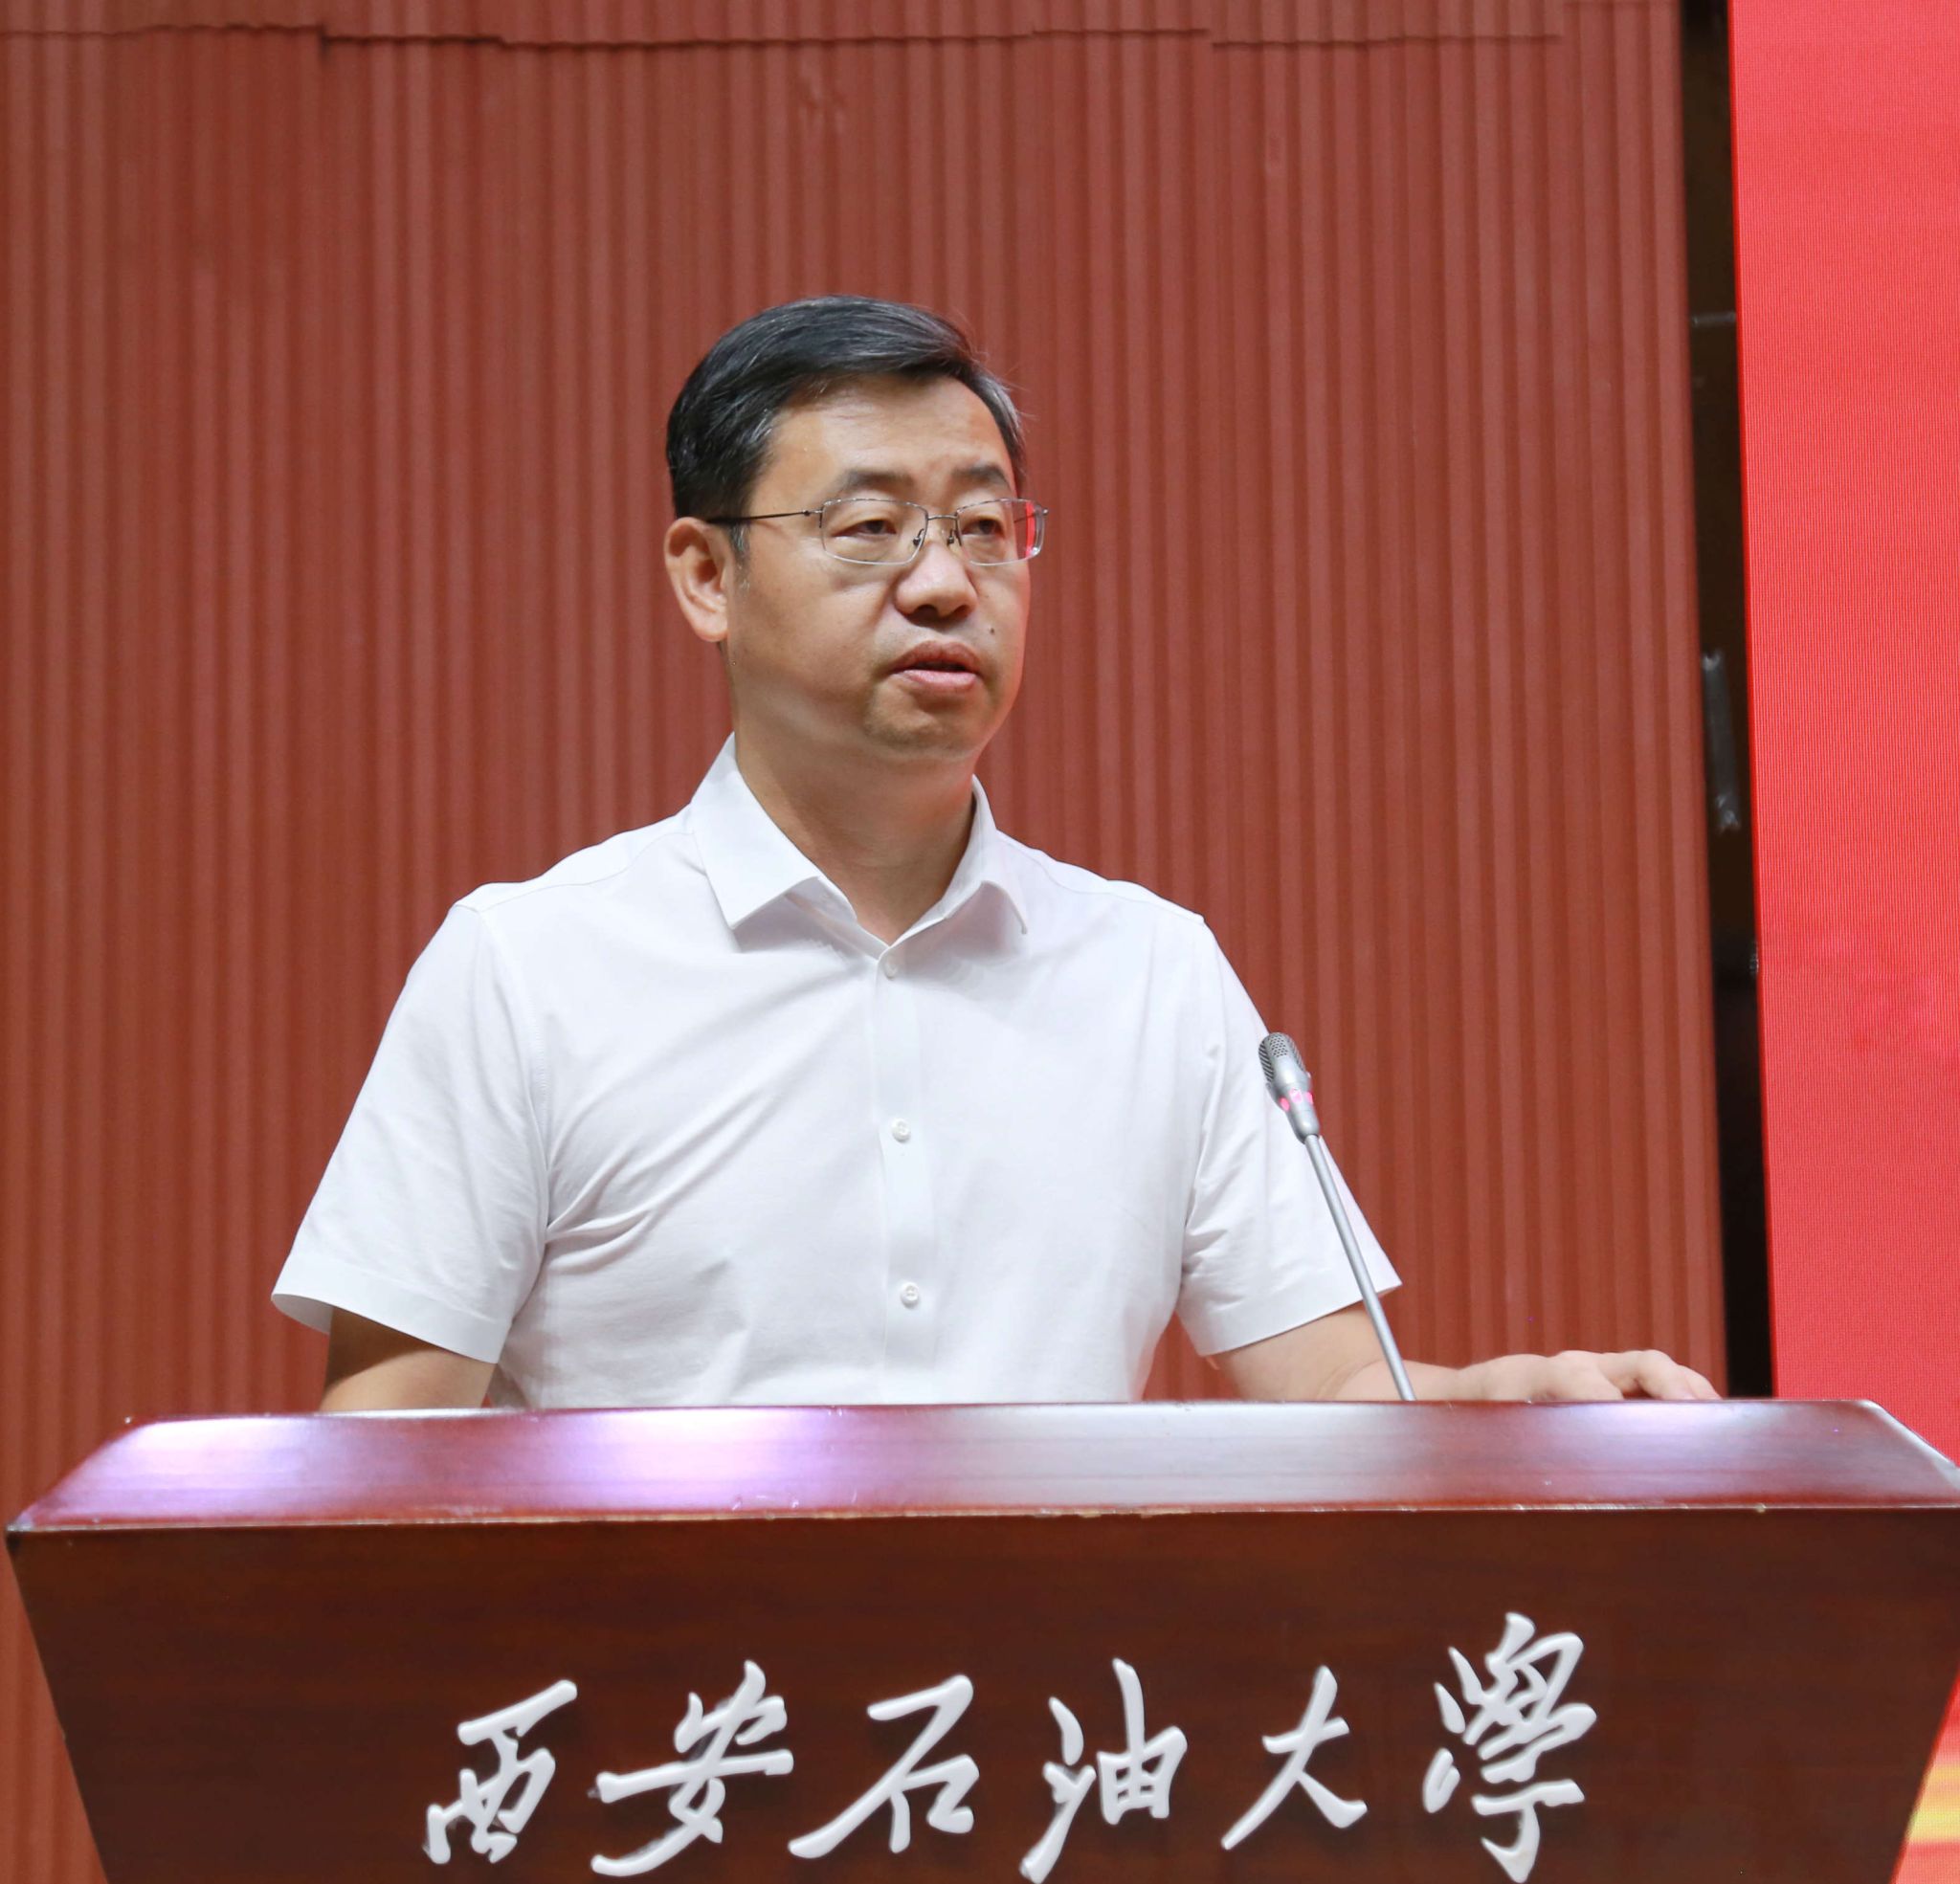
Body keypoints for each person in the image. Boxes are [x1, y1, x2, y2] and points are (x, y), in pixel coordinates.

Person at [273, 296, 1717, 1412]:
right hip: (672, 1711)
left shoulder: (1151, 972)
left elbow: (1339, 1398)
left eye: (982, 526)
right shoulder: (529, 968)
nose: (945, 582)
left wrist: (1509, 1409)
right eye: (868, 528)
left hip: (1053, 1715)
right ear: (707, 576)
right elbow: (383, 1459)